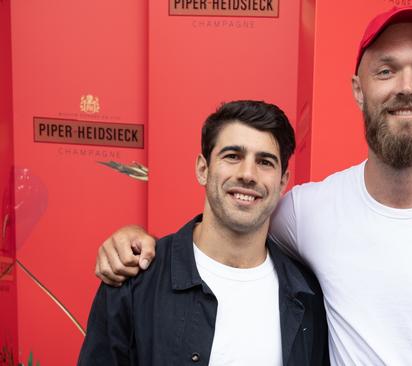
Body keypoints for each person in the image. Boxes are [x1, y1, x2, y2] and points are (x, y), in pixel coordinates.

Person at [95, 7, 412, 365]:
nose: (407, 87)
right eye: (386, 71)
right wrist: (137, 243)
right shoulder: (307, 211)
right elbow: (228, 223)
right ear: (357, 89)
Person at [79, 101, 329, 366]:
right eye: (232, 156)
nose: (247, 174)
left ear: (282, 182)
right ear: (203, 169)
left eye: (265, 162)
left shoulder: (308, 296)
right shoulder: (135, 280)